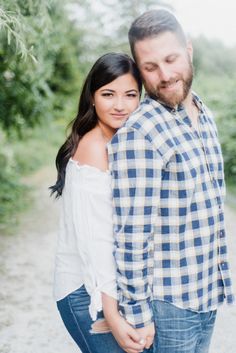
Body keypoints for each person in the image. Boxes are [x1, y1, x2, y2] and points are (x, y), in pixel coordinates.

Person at [105, 9, 235, 353]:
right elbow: (132, 234)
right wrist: (137, 314)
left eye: (171, 59)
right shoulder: (141, 131)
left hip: (206, 292)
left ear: (188, 51)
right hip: (169, 306)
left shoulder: (203, 113)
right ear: (139, 69)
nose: (164, 74)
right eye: (150, 67)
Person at [50, 52, 152, 353]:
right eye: (108, 94)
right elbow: (97, 243)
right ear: (92, 97)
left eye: (130, 95)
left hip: (106, 288)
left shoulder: (119, 141)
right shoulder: (94, 147)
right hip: (86, 291)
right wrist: (112, 313)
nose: (120, 105)